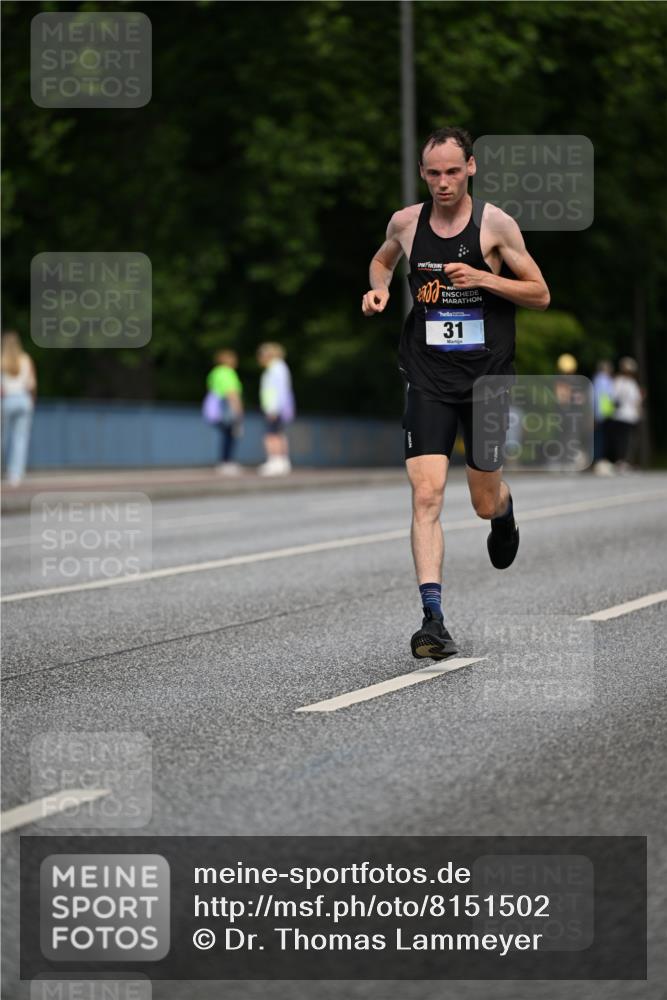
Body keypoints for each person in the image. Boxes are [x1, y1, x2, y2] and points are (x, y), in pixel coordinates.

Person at [361, 126, 550, 660]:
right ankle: (433, 620)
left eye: (452, 171)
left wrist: (485, 279)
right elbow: (383, 260)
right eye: (432, 173)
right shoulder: (405, 222)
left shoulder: (495, 224)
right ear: (423, 174)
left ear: (470, 168)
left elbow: (539, 293)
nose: (442, 182)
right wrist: (378, 289)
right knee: (426, 495)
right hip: (427, 376)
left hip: (487, 379)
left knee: (481, 498)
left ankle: (504, 510)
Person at [1, 330, 37, 486]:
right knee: (20, 439)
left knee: (3, 437)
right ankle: (15, 474)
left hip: (7, 400)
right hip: (23, 400)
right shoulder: (26, 359)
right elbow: (32, 383)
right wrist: (32, 400)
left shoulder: (2, 360)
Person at [257, 342, 295, 476]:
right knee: (278, 434)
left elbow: (278, 390)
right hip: (278, 407)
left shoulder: (275, 368)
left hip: (274, 407)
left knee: (271, 435)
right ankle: (282, 461)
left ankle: (275, 461)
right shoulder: (278, 367)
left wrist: (273, 408)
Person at [205, 349, 244, 475]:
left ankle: (224, 461)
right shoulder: (228, 372)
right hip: (226, 409)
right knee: (230, 435)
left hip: (214, 409)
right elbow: (231, 393)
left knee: (225, 435)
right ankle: (227, 462)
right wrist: (238, 411)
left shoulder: (214, 373)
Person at [610, 356, 642, 472]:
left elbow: (612, 397)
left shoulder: (618, 382)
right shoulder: (630, 383)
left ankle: (622, 461)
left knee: (622, 439)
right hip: (627, 415)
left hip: (621, 415)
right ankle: (622, 461)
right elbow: (637, 400)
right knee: (625, 439)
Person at [592, 360, 616, 475]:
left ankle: (600, 461)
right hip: (602, 414)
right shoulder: (602, 380)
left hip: (605, 414)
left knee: (602, 438)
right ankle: (598, 462)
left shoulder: (602, 379)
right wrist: (596, 415)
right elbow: (597, 398)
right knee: (600, 439)